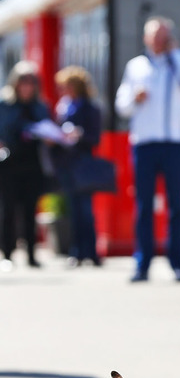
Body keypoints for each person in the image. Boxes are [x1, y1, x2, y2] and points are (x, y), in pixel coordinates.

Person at [115, 17, 180, 283]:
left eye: (163, 36)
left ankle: (177, 263)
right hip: (145, 144)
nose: (158, 42)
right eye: (154, 37)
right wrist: (133, 99)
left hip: (173, 143)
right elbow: (121, 105)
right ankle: (142, 262)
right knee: (144, 206)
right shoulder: (136, 66)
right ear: (146, 39)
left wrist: (174, 55)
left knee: (176, 207)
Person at [0, 61, 50, 268]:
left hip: (33, 163)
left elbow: (48, 129)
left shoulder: (40, 106)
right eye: (23, 82)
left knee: (30, 210)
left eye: (30, 82)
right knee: (8, 210)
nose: (27, 87)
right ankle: (8, 254)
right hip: (9, 163)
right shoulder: (5, 105)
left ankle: (31, 254)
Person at [54, 66, 102, 267]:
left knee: (85, 210)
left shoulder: (91, 107)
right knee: (73, 210)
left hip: (83, 163)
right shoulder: (63, 107)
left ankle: (90, 252)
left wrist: (79, 135)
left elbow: (94, 138)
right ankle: (76, 252)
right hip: (67, 164)